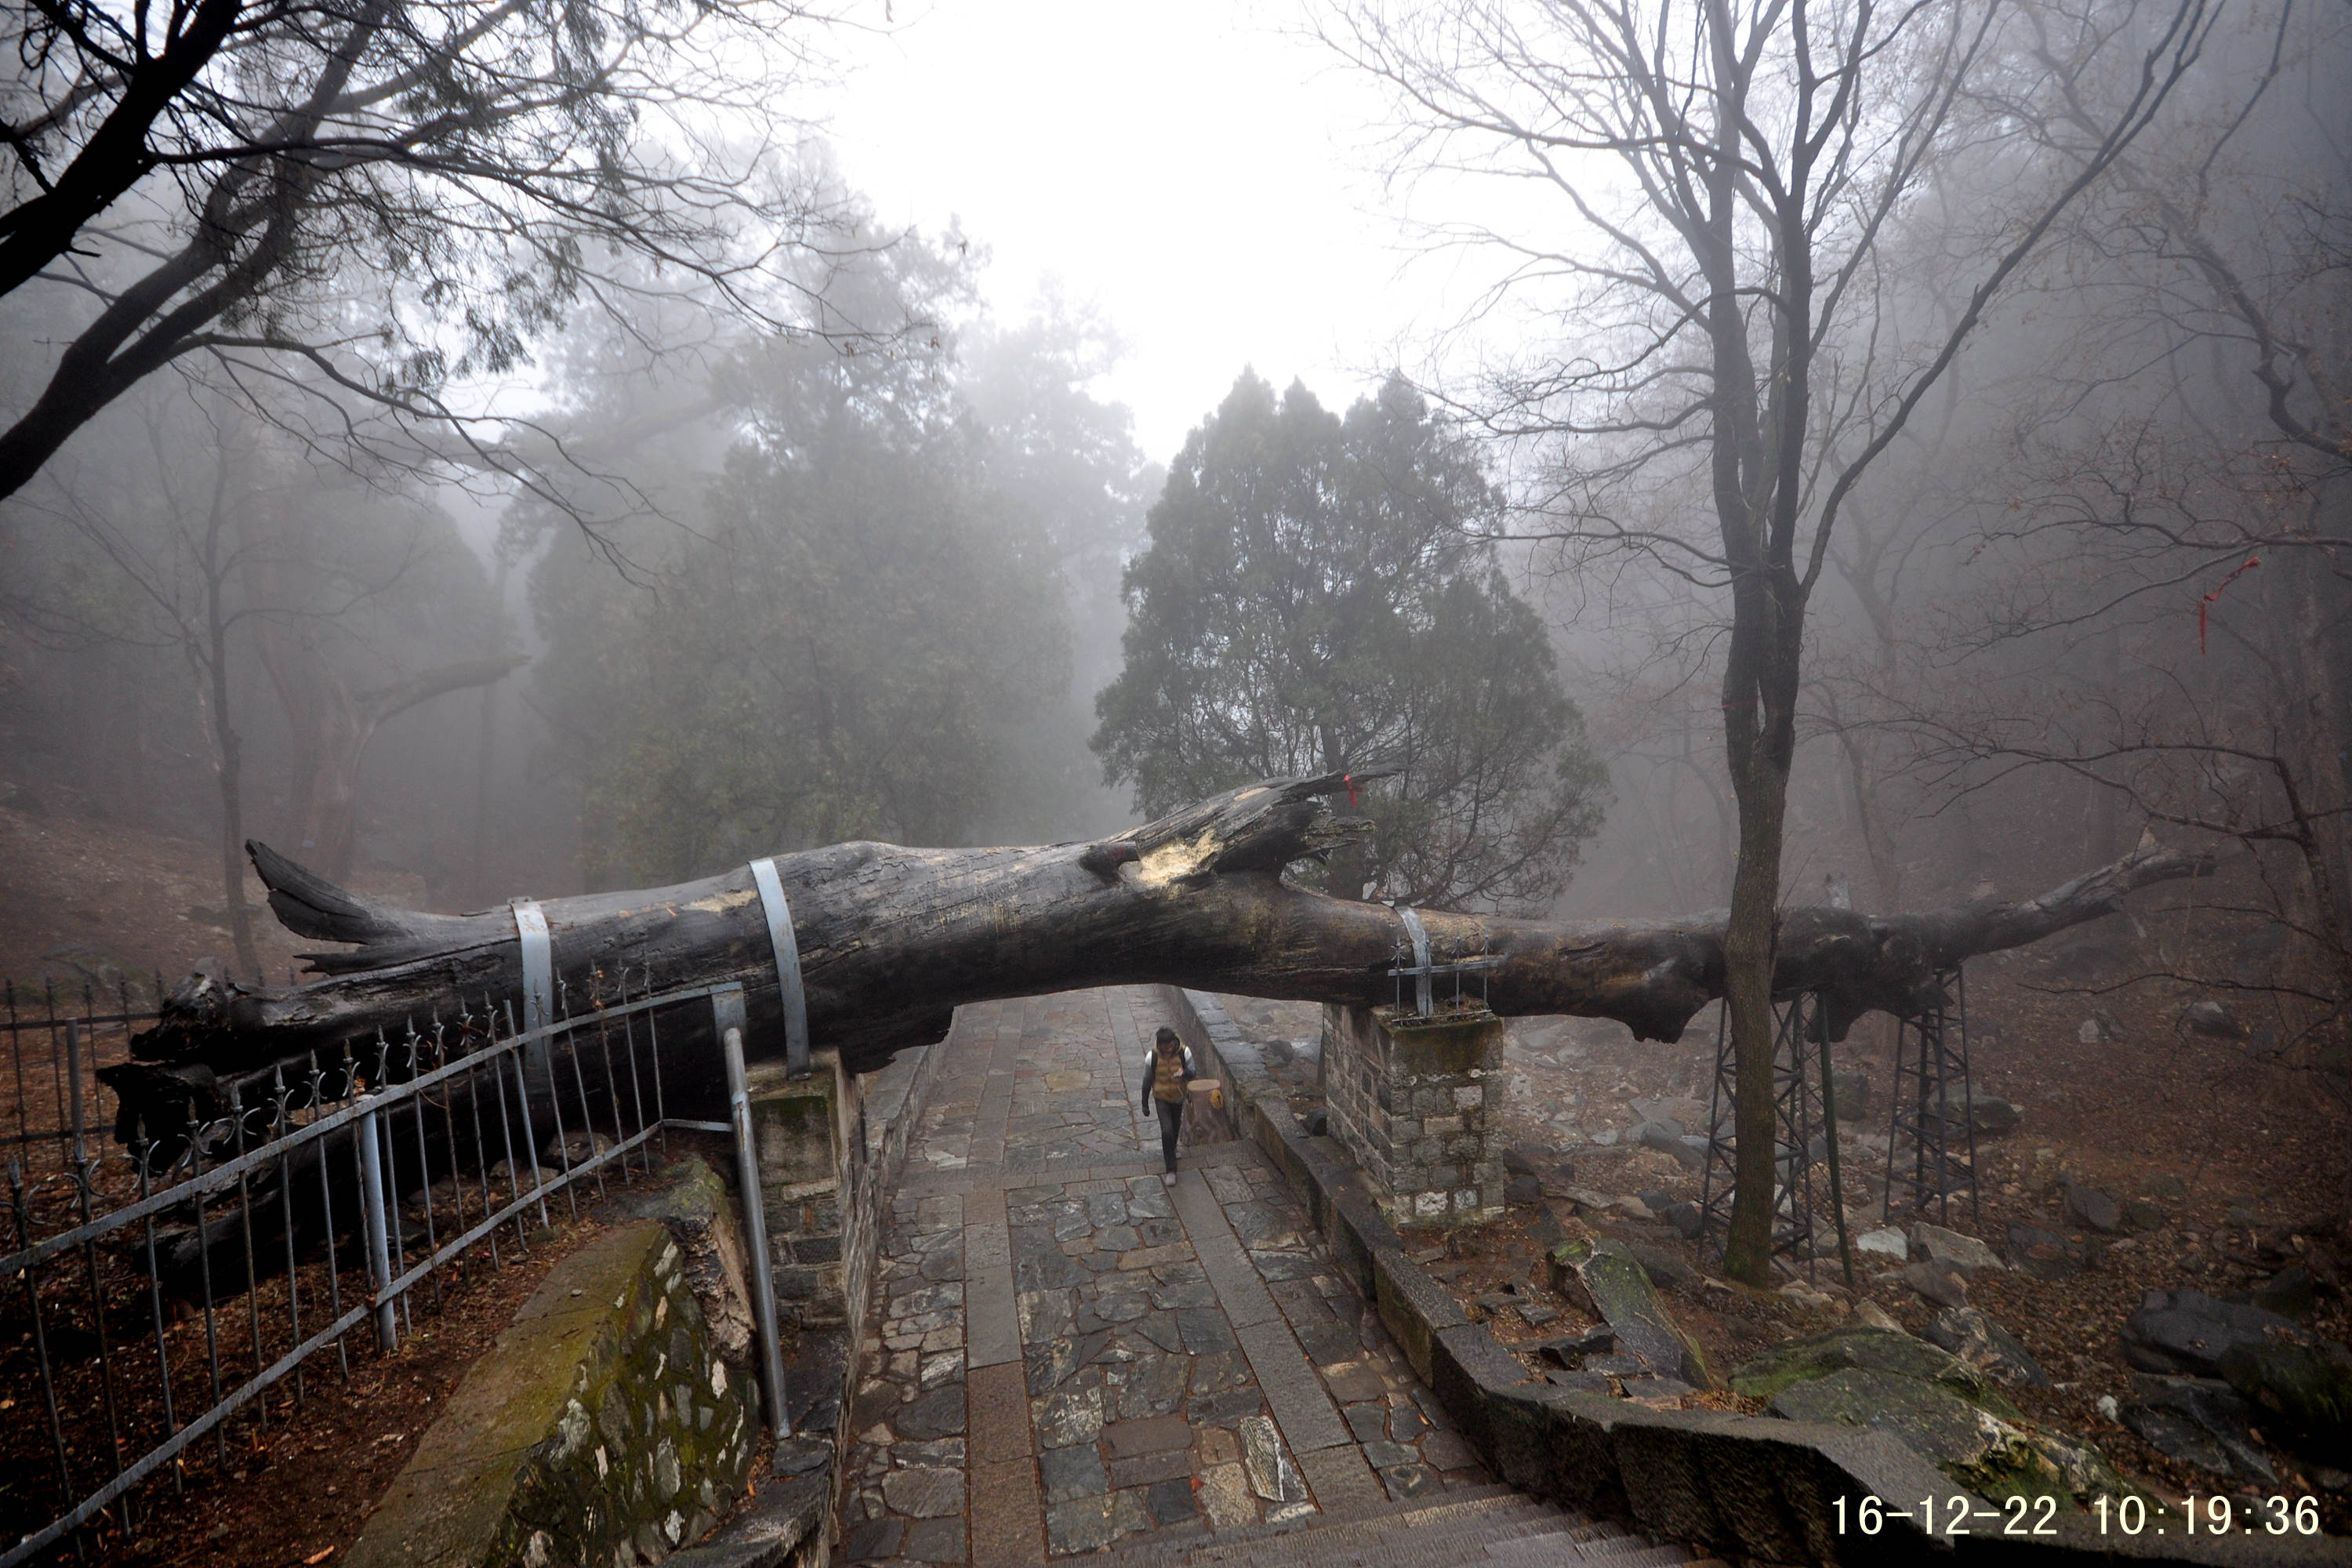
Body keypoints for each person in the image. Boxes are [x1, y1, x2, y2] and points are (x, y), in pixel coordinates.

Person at [1138, 1025, 1196, 1185]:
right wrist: (1144, 1104)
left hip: (1178, 1096)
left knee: (1176, 1126)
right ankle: (1171, 1169)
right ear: (1160, 1044)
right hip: (1161, 1097)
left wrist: (1184, 1073)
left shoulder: (1184, 1053)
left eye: (1171, 1045)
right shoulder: (1152, 1057)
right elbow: (1147, 1080)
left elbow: (1193, 1072)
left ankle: (1173, 1148)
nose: (1169, 1048)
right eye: (1166, 1046)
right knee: (1167, 1130)